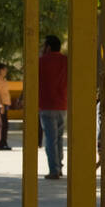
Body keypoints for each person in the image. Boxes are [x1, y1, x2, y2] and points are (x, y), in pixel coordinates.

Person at [38, 35, 68, 179]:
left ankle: (54, 170)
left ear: (48, 47)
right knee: (59, 138)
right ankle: (59, 166)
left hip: (46, 104)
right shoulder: (66, 61)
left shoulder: (41, 62)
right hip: (62, 105)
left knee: (50, 140)